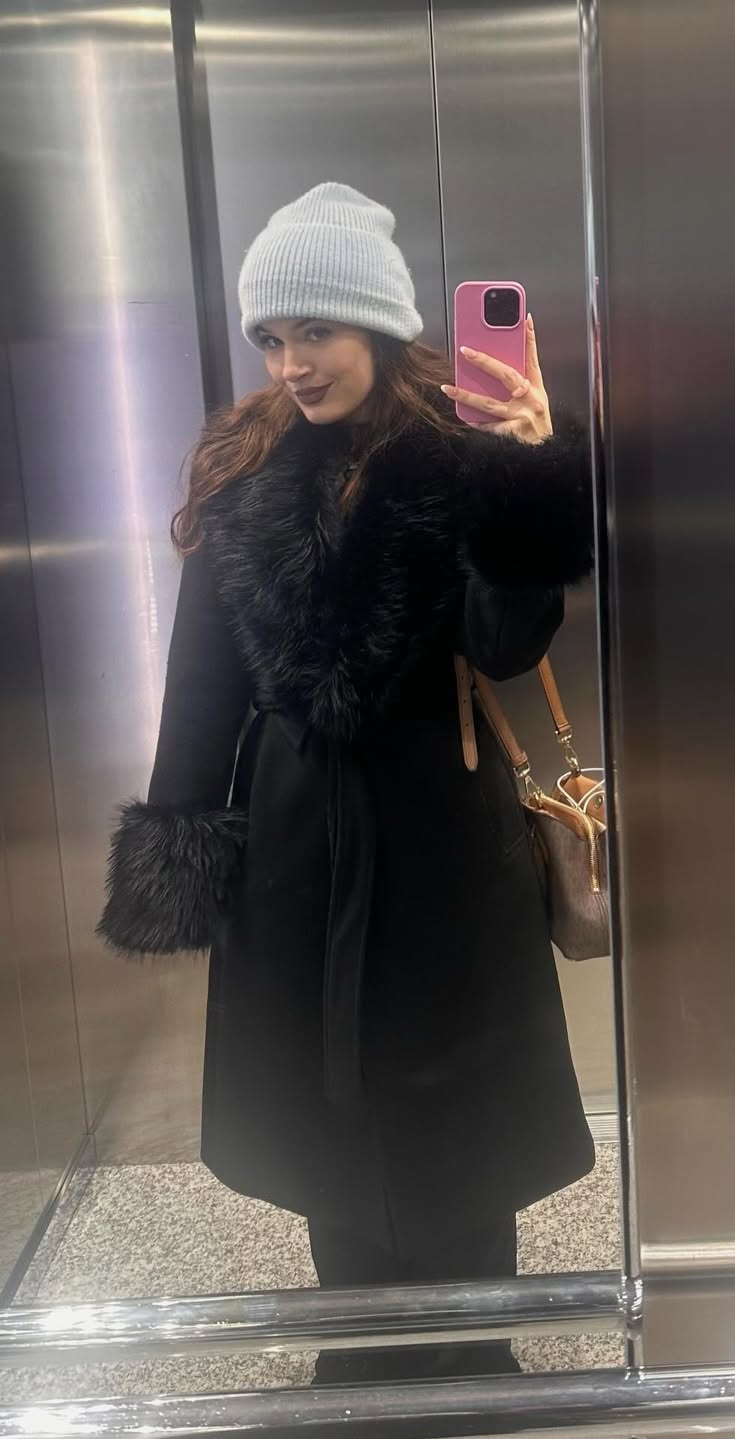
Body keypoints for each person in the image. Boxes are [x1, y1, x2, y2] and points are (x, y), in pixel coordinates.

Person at [98, 182, 596, 1382]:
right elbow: (203, 680)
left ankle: (475, 1354)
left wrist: (526, 472)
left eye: (313, 330)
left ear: (374, 321)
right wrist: (181, 841)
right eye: (272, 337)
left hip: (443, 831)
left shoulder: (459, 458)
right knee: (327, 1122)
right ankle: (360, 1354)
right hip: (294, 840)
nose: (291, 362)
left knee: (459, 1116)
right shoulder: (243, 471)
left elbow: (507, 644)